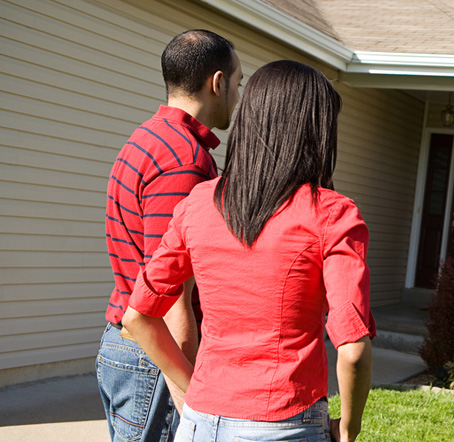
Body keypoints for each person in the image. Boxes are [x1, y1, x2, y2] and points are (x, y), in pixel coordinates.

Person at [121, 60, 375, 442]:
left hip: (199, 424)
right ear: (316, 132)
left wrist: (193, 391)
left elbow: (138, 316)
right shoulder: (332, 214)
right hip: (284, 422)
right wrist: (349, 428)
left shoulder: (199, 203)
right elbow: (353, 350)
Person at [97, 29, 242, 441]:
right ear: (217, 83)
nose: (238, 96)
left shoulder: (147, 137)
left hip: (130, 346)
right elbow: (170, 291)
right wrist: (189, 399)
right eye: (238, 82)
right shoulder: (184, 161)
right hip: (156, 357)